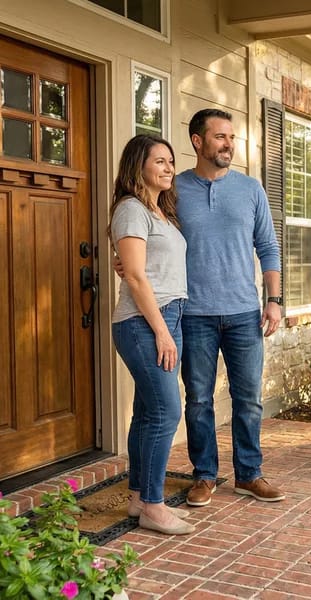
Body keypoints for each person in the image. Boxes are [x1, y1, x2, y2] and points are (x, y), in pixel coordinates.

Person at [177, 108, 285, 507]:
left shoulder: (250, 189)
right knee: (199, 400)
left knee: (248, 398)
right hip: (194, 313)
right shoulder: (174, 189)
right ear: (198, 141)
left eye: (232, 137)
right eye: (220, 136)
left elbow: (268, 247)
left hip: (243, 312)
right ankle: (204, 475)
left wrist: (273, 300)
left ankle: (249, 474)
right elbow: (152, 236)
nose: (229, 144)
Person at [110, 134, 195, 535]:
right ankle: (154, 506)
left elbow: (142, 266)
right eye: (159, 161)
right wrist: (162, 331)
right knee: (166, 411)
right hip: (145, 321)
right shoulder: (131, 209)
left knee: (148, 412)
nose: (169, 168)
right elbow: (136, 276)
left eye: (171, 161)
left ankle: (138, 497)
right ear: (137, 166)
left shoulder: (159, 211)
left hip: (167, 315)